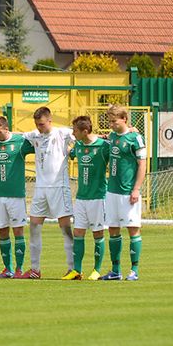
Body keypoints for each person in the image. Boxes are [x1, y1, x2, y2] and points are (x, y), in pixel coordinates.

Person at [18, 107, 75, 279]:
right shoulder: (35, 135)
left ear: (50, 121)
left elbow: (83, 134)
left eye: (41, 124)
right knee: (34, 225)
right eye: (37, 124)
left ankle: (74, 269)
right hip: (41, 189)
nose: (39, 127)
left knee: (65, 228)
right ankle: (35, 269)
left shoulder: (62, 133)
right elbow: (14, 135)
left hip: (59, 188)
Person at [0, 116, 35, 278]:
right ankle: (8, 268)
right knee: (2, 232)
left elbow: (39, 143)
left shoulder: (20, 142)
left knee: (18, 231)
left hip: (16, 195)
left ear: (6, 129)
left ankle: (19, 269)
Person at [100, 105, 146, 281]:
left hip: (128, 192)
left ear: (124, 119)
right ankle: (115, 270)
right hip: (111, 192)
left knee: (133, 230)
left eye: (114, 121)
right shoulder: (112, 137)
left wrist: (136, 189)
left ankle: (134, 270)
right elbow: (99, 138)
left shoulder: (136, 138)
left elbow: (142, 164)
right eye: (110, 121)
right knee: (113, 230)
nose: (111, 124)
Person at [62, 116, 110, 281]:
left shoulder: (104, 146)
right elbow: (70, 153)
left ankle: (96, 270)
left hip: (98, 197)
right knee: (78, 233)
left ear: (84, 131)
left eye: (75, 130)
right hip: (81, 198)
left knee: (98, 233)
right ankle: (77, 270)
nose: (73, 133)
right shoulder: (79, 145)